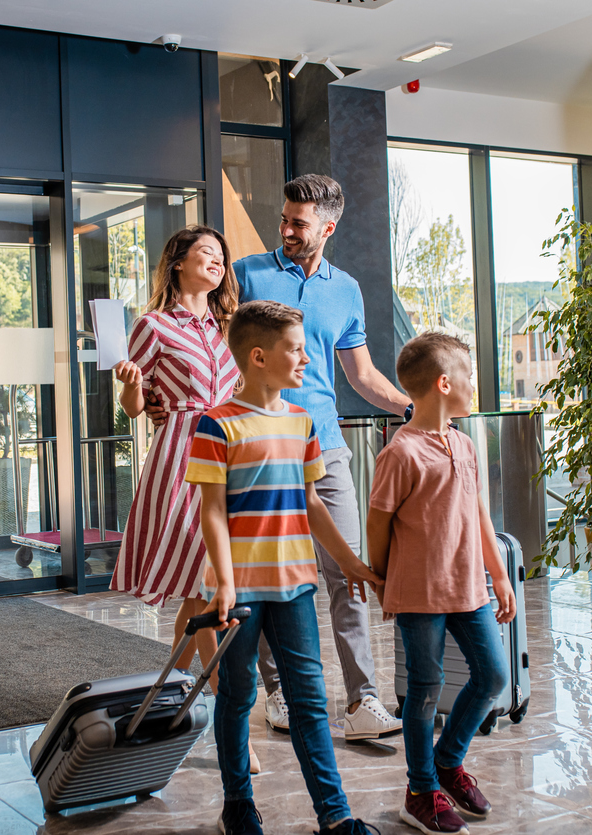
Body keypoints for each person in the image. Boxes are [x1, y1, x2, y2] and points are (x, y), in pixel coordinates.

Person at [187, 300, 383, 835]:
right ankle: (238, 806)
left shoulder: (302, 422)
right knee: (237, 695)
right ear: (257, 357)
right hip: (241, 591)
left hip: (296, 586)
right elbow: (212, 510)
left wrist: (350, 565)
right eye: (295, 350)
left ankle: (336, 816)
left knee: (309, 702)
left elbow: (312, 502)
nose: (305, 360)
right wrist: (224, 584)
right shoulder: (216, 425)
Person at [236, 174, 411, 740]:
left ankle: (363, 699)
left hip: (326, 446)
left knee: (350, 571)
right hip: (260, 442)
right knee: (270, 573)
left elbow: (360, 375)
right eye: (284, 219)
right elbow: (219, 351)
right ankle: (279, 691)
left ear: (328, 228)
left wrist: (414, 406)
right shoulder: (248, 275)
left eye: (299, 223)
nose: (285, 230)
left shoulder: (346, 289)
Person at [108, 225, 265, 772]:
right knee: (207, 594)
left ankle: (177, 708)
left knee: (198, 599)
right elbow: (133, 406)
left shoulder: (229, 326)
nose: (218, 263)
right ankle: (231, 729)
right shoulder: (152, 326)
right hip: (182, 459)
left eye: (222, 256)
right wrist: (130, 384)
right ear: (177, 262)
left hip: (233, 455)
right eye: (206, 254)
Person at [366, 332, 515, 835]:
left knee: (492, 675)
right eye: (469, 377)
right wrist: (385, 581)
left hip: (469, 587)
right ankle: (420, 788)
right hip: (419, 593)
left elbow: (479, 515)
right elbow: (378, 525)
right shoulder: (400, 453)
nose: (474, 386)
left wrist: (498, 575)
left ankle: (447, 763)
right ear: (445, 383)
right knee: (425, 692)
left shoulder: (465, 444)